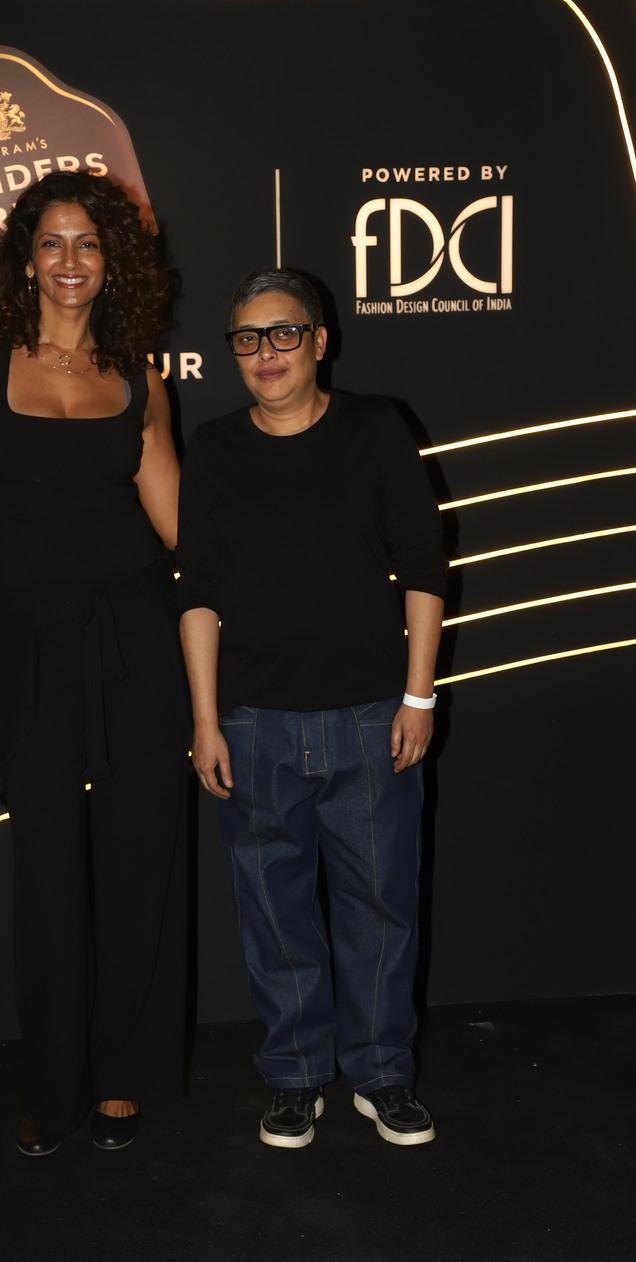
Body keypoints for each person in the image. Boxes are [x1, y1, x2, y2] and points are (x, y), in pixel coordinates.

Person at [0, 170, 190, 1156]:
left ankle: (123, 1077)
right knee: (47, 869)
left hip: (137, 637)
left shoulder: (139, 376)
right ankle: (56, 1084)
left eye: (89, 243)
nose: (71, 260)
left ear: (113, 260)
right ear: (26, 257)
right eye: (53, 242)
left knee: (139, 854)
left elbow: (178, 527)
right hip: (29, 641)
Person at [177, 268, 446, 1149]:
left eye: (284, 333)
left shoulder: (375, 429)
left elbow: (424, 563)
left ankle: (381, 1073)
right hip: (253, 723)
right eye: (247, 339)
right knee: (273, 912)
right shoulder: (215, 448)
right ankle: (295, 1076)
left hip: (370, 717)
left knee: (380, 908)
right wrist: (205, 720)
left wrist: (418, 695)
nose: (267, 353)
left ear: (320, 341)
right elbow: (198, 591)